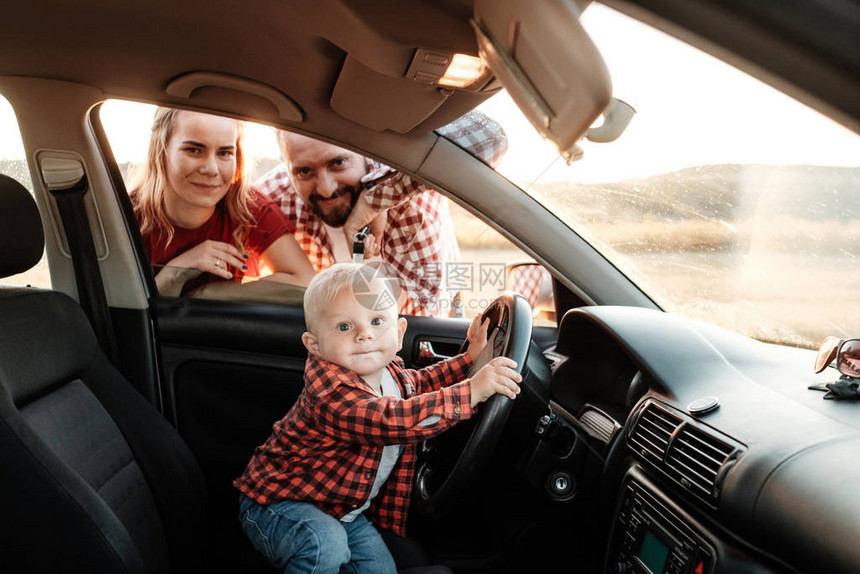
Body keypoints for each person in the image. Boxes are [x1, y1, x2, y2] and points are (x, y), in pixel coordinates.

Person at [233, 262, 522, 573]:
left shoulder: (388, 374)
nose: (364, 335)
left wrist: (467, 360)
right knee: (325, 544)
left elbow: (419, 385)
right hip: (277, 504)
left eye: (376, 321)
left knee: (381, 567)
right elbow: (392, 419)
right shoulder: (332, 392)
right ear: (314, 345)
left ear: (398, 333)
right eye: (345, 327)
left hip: (343, 511)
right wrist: (470, 392)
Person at [254, 110, 507, 316]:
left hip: (433, 322)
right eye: (305, 172)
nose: (326, 189)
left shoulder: (409, 173)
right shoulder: (278, 194)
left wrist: (376, 200)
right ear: (287, 166)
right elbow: (226, 201)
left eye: (338, 163)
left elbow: (492, 140)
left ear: (364, 149)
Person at [130, 107, 315, 297]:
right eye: (194, 150)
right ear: (160, 152)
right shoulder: (125, 215)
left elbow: (305, 282)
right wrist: (175, 273)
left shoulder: (248, 206)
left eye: (224, 153)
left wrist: (209, 293)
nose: (211, 169)